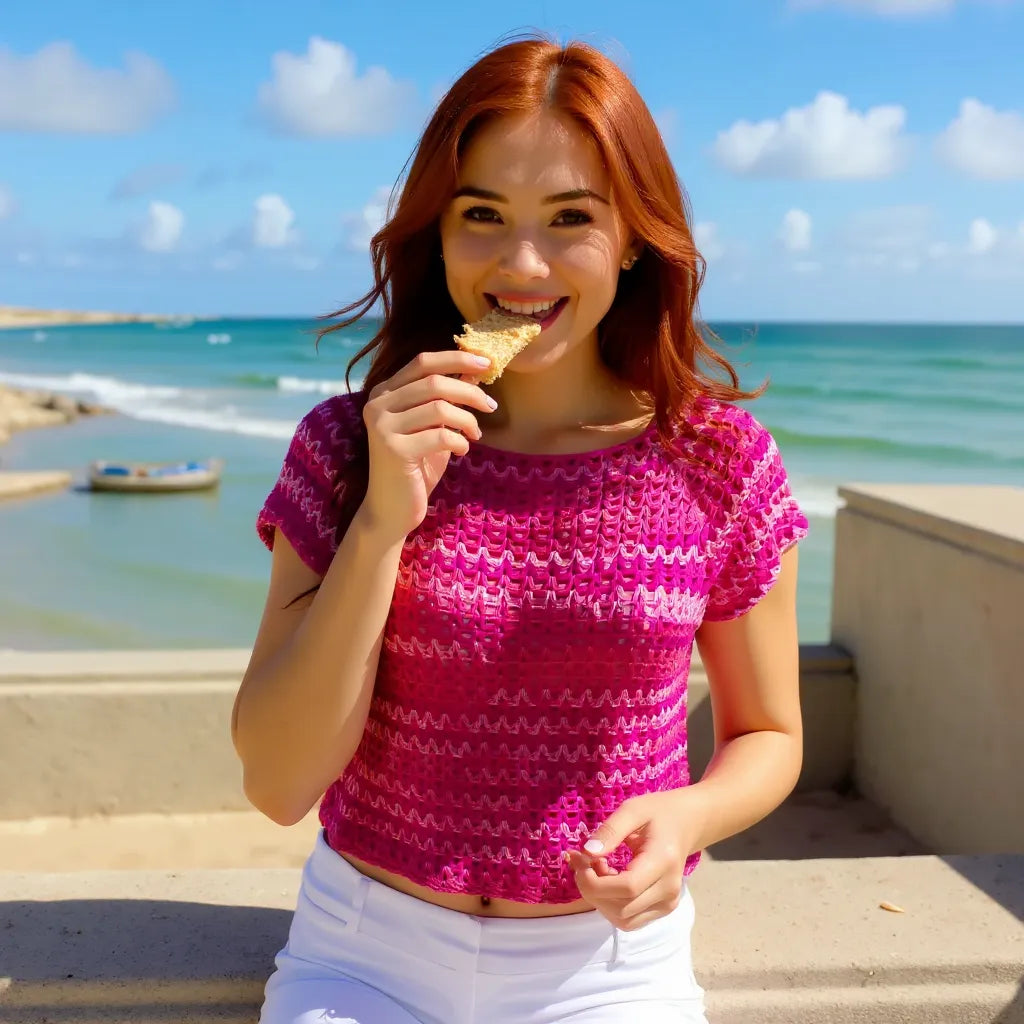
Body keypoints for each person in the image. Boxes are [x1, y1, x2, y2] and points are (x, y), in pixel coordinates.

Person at [232, 33, 809, 1024]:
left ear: (632, 235)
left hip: (608, 969)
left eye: (570, 218)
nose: (521, 263)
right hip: (363, 953)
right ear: (436, 232)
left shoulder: (717, 462)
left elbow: (768, 733)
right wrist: (381, 521)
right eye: (482, 216)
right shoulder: (346, 445)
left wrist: (690, 816)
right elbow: (280, 781)